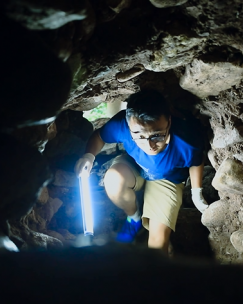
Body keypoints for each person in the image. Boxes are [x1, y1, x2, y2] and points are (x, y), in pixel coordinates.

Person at [74, 90, 209, 254]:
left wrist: (196, 192)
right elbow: (100, 136)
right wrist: (89, 156)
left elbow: (196, 161)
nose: (149, 145)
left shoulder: (186, 139)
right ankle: (134, 218)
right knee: (114, 180)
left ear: (170, 121)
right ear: (129, 125)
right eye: (138, 136)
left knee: (158, 247)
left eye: (157, 135)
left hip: (168, 178)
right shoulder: (122, 125)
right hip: (135, 164)